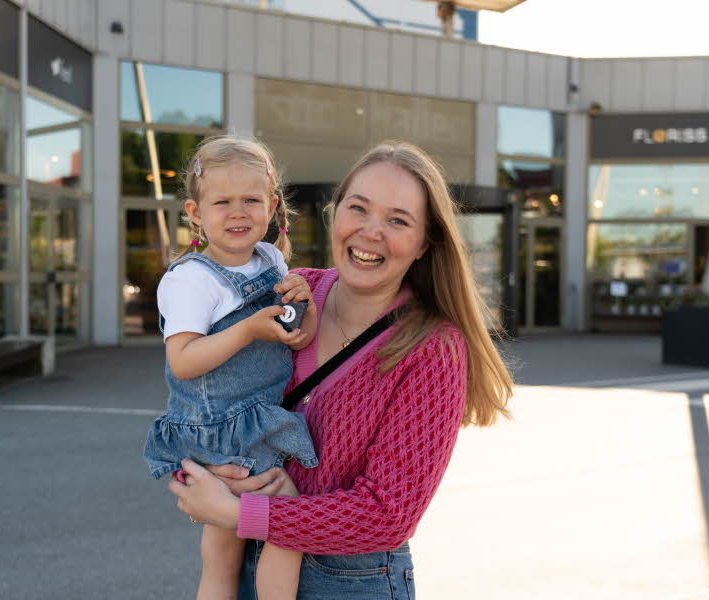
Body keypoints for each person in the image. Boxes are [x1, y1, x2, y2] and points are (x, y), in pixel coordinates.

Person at [168, 140, 514, 599]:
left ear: (423, 242)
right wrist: (205, 477)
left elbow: (387, 514)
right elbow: (205, 395)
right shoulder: (288, 291)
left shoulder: (434, 348)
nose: (371, 232)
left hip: (350, 582)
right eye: (359, 208)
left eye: (397, 220)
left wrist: (244, 513)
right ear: (336, 213)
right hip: (242, 566)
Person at [142, 136, 320, 600]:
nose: (238, 212)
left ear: (272, 205)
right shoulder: (191, 280)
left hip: (257, 415)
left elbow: (295, 336)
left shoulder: (271, 259)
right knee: (280, 524)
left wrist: (305, 307)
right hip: (219, 427)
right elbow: (182, 362)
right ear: (196, 213)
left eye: (251, 200)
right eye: (222, 202)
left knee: (227, 544)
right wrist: (245, 331)